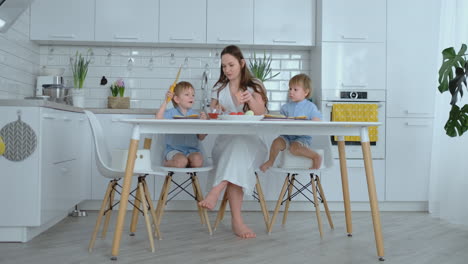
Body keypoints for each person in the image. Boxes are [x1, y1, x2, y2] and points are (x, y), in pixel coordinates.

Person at [198, 45, 268, 239]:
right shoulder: (219, 90)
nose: (227, 70)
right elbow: (211, 121)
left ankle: (216, 190)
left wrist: (251, 99)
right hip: (225, 144)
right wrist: (207, 118)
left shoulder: (255, 85)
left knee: (240, 147)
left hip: (252, 143)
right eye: (223, 66)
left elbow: (261, 113)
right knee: (236, 153)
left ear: (242, 63)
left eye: (231, 65)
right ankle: (237, 222)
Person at [260, 73, 323, 172]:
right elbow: (281, 120)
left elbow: (317, 118)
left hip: (302, 137)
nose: (291, 92)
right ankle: (270, 161)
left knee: (294, 148)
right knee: (276, 142)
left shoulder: (310, 106)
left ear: (306, 92)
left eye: (295, 90)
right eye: (290, 89)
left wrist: (314, 119)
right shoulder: (286, 107)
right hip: (287, 136)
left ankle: (316, 156)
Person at [156, 81, 207, 168]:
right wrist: (166, 101)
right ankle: (167, 163)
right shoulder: (171, 113)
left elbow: (201, 137)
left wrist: (203, 123)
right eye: (187, 94)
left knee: (198, 162)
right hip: (174, 150)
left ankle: (187, 162)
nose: (191, 97)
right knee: (181, 162)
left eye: (193, 95)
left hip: (192, 150)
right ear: (177, 99)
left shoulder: (196, 115)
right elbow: (158, 119)